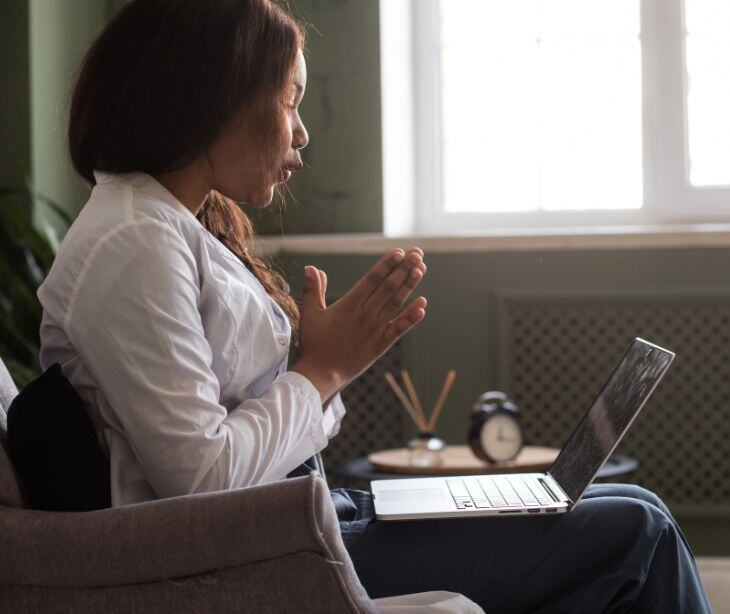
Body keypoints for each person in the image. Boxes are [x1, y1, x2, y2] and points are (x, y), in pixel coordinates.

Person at [37, 0, 712, 611]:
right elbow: (201, 483)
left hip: (304, 519)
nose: (301, 134)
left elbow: (271, 430)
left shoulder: (169, 228)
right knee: (638, 534)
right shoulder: (134, 242)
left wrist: (318, 366)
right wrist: (323, 370)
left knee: (633, 504)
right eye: (290, 100)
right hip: (246, 558)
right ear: (214, 98)